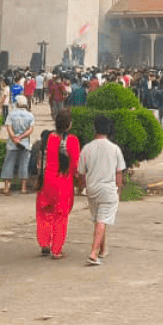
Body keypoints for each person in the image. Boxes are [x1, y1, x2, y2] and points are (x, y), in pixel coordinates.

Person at [76, 114, 127, 265]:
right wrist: (119, 190)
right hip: (108, 188)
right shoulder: (114, 149)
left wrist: (83, 186)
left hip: (92, 188)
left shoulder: (87, 148)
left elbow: (80, 172)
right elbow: (119, 173)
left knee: (99, 220)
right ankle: (93, 253)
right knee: (103, 219)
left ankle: (102, 249)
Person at [37, 109, 80, 258]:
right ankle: (56, 249)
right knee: (60, 215)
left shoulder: (48, 137)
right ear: (69, 125)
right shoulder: (72, 140)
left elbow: (40, 157)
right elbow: (75, 165)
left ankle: (44, 243)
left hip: (47, 179)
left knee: (44, 211)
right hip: (63, 181)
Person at [2, 95, 35, 196]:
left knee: (9, 163)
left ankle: (7, 188)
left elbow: (9, 127)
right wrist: (21, 137)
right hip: (24, 143)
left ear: (16, 104)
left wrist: (14, 138)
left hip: (12, 144)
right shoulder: (30, 115)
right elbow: (30, 129)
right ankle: (23, 188)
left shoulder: (11, 114)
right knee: (24, 165)